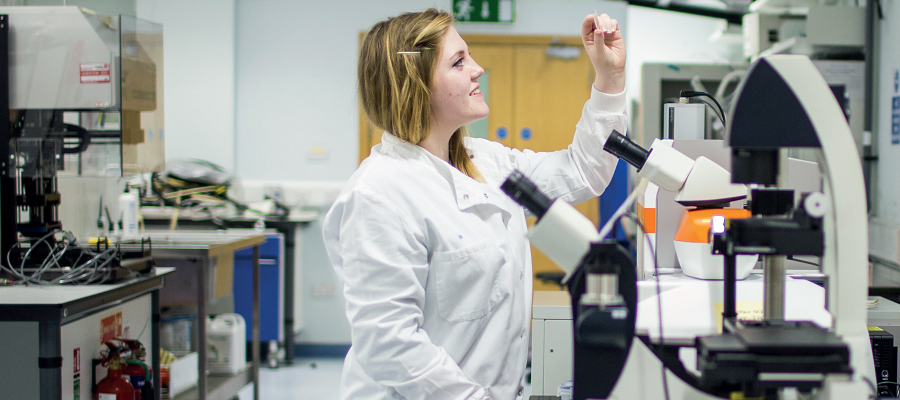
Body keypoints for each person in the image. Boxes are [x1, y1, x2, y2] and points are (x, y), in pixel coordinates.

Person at [324, 8, 626, 400]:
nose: (477, 69)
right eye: (459, 61)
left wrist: (610, 77)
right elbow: (390, 344)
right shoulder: (379, 193)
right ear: (415, 84)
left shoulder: (485, 161)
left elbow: (583, 171)